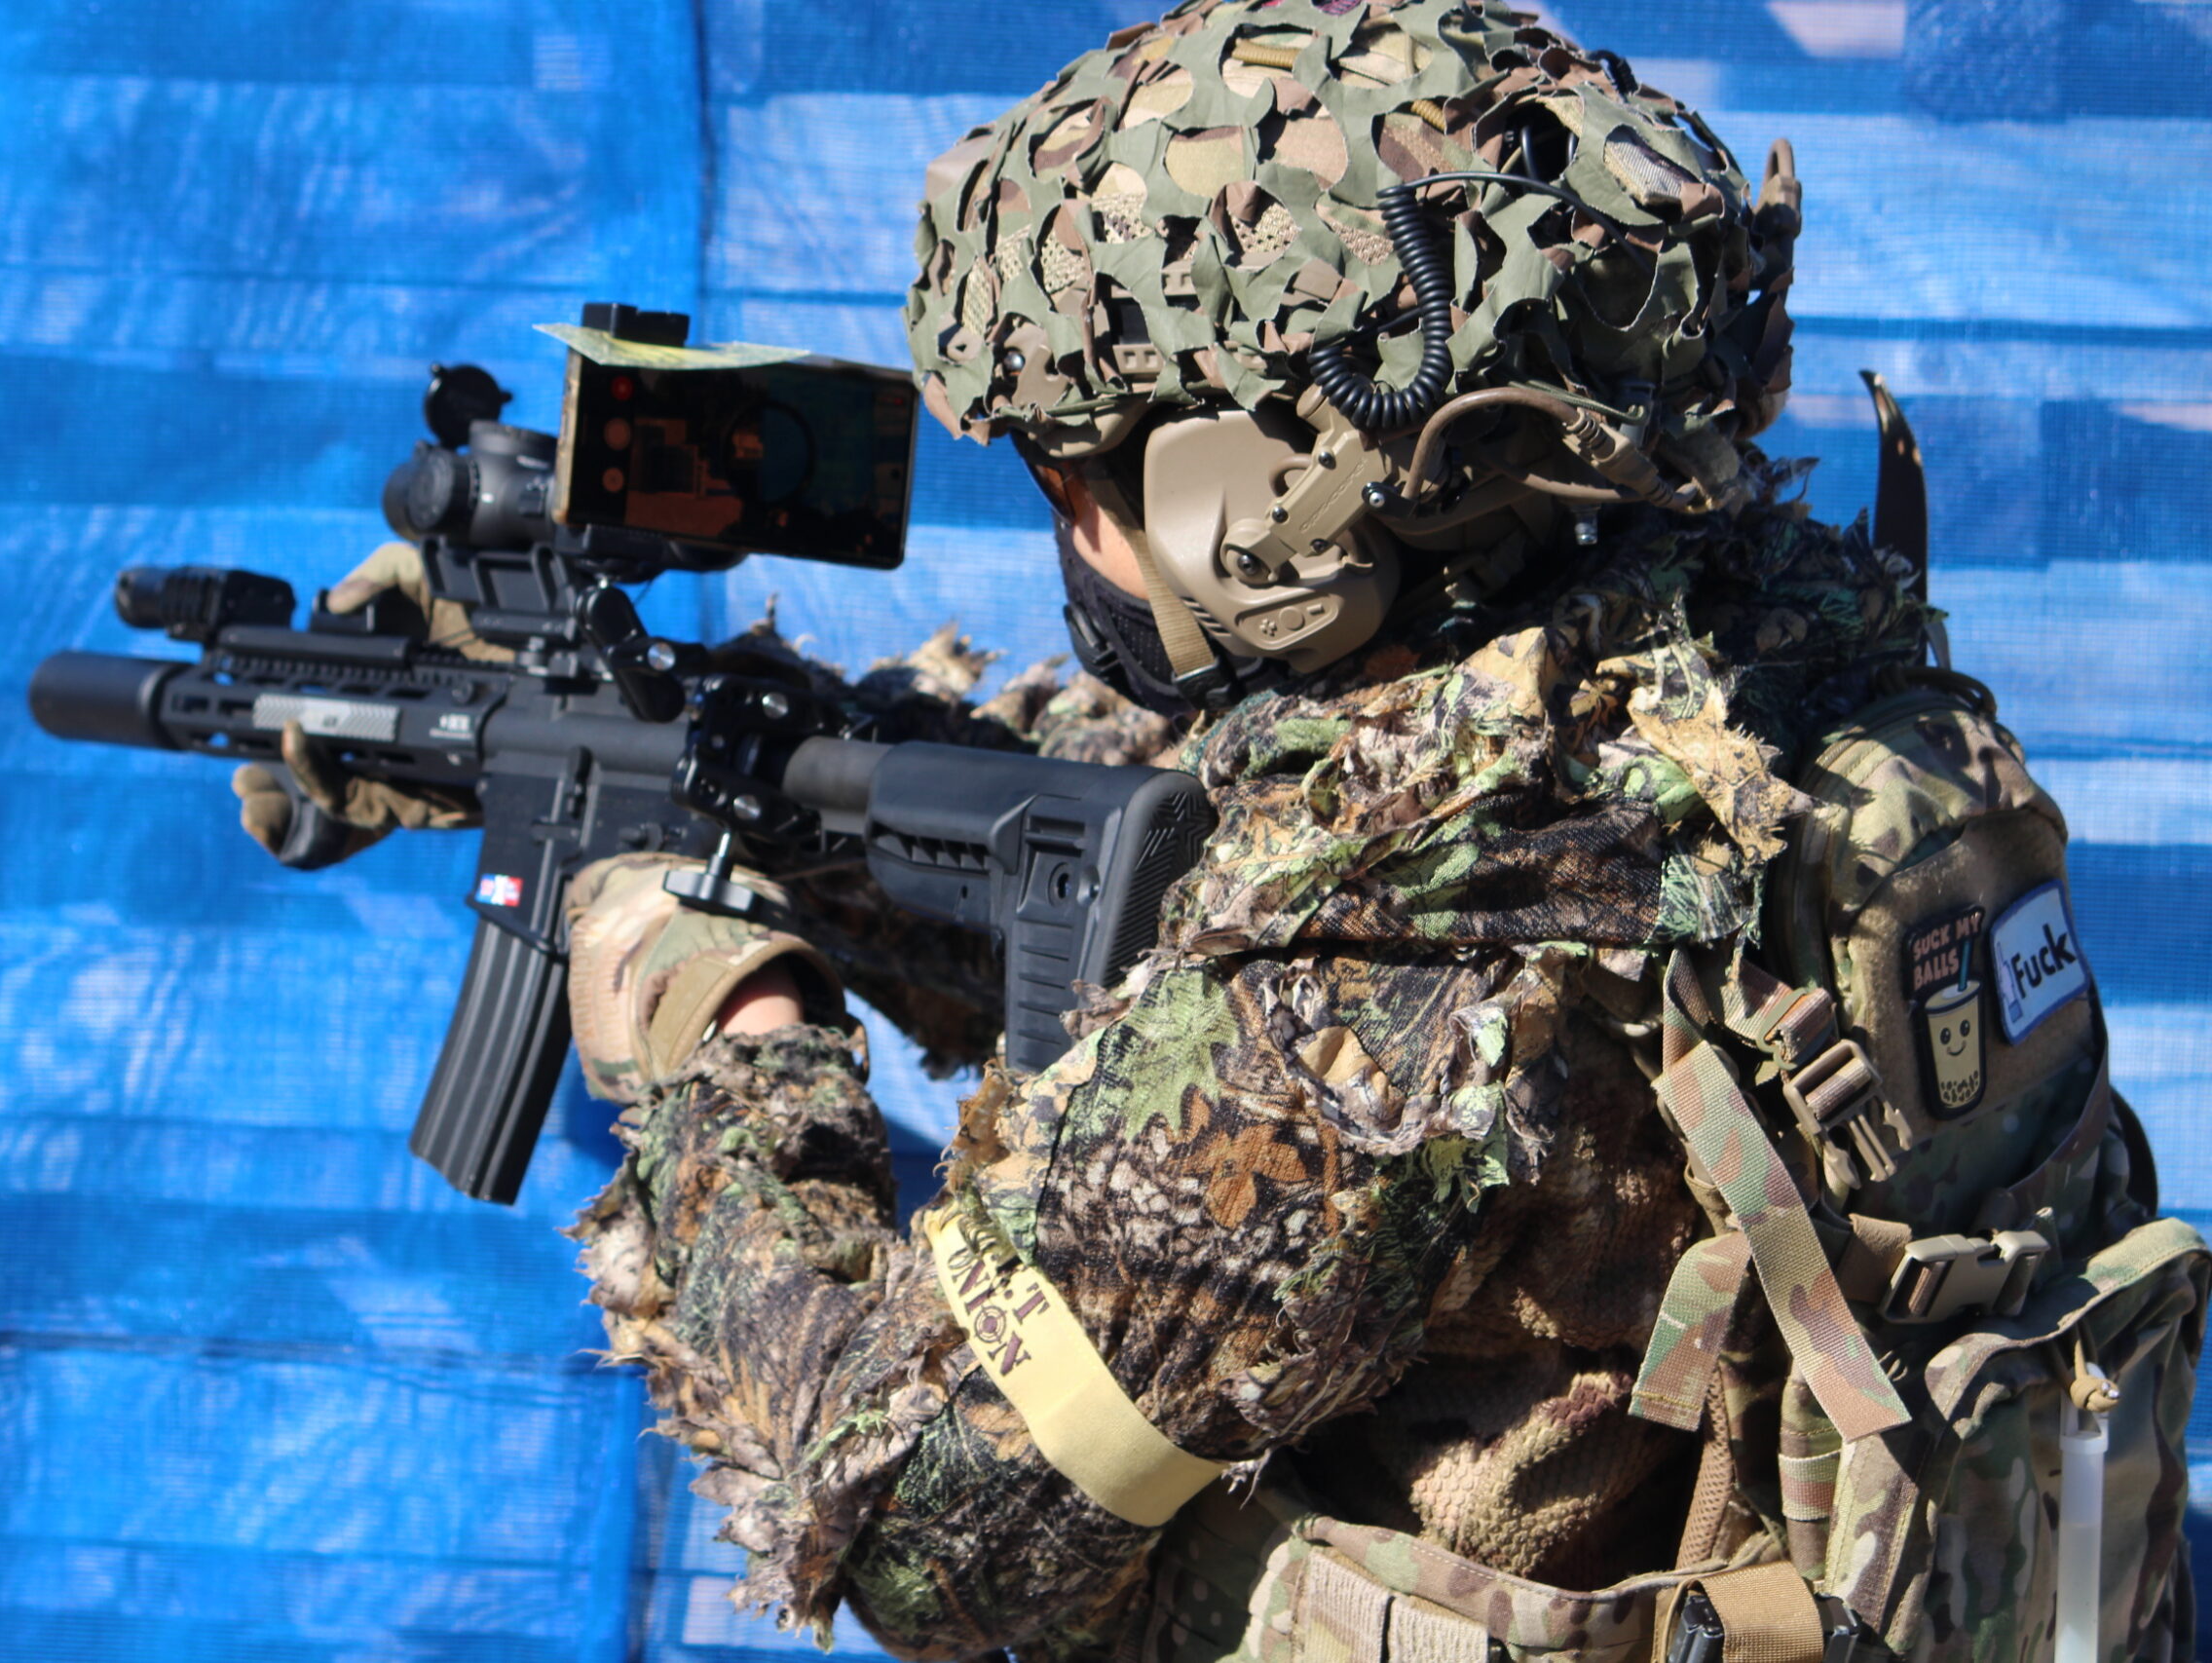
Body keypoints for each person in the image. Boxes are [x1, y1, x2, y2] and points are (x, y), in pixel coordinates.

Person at [240, 3, 2192, 1658]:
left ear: (1244, 506)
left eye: (1070, 480)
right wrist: (774, 753)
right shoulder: (1803, 677)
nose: (1064, 536)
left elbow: (914, 1526)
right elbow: (1224, 818)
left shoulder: (1380, 980)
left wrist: (715, 1020)